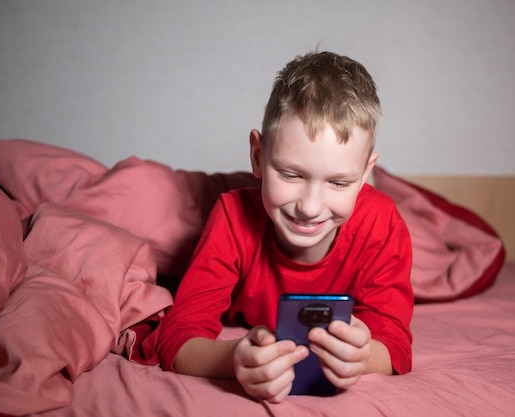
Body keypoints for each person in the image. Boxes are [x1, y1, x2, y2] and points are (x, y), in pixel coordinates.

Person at [156, 50, 413, 403]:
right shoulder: (232, 217)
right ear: (258, 156)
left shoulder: (381, 223)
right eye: (291, 175)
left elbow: (395, 345)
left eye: (339, 183)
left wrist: (363, 356)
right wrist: (235, 359)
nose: (309, 208)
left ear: (366, 173)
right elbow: (177, 339)